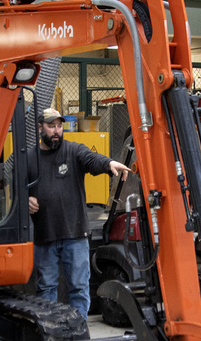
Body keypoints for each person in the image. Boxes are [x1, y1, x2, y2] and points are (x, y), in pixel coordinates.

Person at [27, 107, 130, 318]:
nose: (56, 131)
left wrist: (109, 163)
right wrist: (25, 200)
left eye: (59, 126)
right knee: (46, 289)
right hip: (44, 235)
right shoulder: (29, 159)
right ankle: (50, 334)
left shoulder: (73, 151)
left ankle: (79, 332)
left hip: (75, 234)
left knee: (79, 289)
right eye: (51, 126)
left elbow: (91, 160)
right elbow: (15, 189)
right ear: (40, 128)